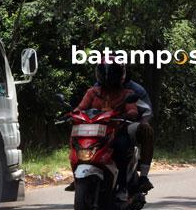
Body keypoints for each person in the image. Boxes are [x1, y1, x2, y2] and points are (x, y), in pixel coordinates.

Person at [65, 58, 154, 195]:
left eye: (113, 72)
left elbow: (133, 110)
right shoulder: (93, 92)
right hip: (95, 131)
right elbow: (80, 108)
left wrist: (130, 114)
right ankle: (78, 178)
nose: (108, 77)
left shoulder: (129, 93)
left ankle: (123, 186)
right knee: (76, 142)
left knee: (121, 146)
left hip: (117, 130)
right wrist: (71, 114)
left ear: (121, 74)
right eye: (105, 72)